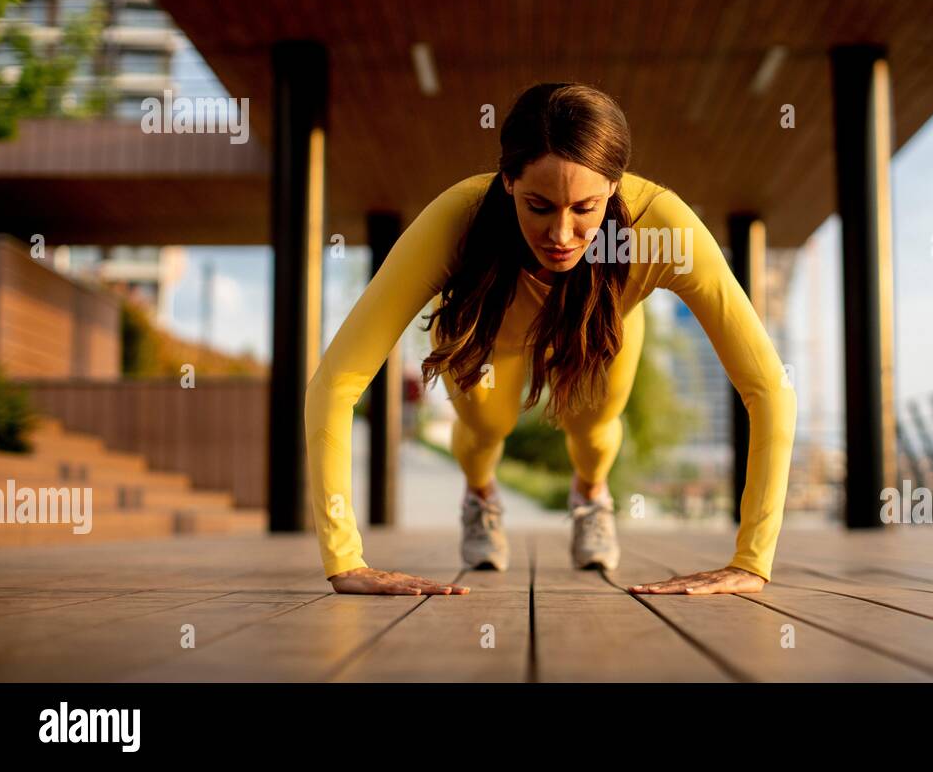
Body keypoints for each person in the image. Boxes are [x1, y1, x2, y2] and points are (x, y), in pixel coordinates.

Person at [304, 82, 796, 597]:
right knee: (485, 424)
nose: (561, 235)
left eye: (585, 208)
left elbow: (768, 387)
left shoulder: (663, 228)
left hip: (600, 326)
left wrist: (751, 561)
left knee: (594, 425)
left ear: (614, 187)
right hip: (484, 326)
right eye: (539, 206)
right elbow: (336, 383)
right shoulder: (456, 220)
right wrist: (346, 561)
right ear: (509, 181)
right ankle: (480, 497)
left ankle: (590, 496)